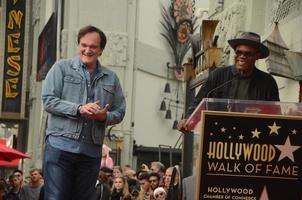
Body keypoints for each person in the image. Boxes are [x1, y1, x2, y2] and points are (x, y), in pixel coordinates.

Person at [42, 25, 126, 200]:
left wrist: (105, 117)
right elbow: (48, 101)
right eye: (83, 45)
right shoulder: (61, 68)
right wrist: (79, 109)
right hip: (60, 147)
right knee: (56, 197)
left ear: (101, 50)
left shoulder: (111, 78)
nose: (87, 50)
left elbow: (120, 111)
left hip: (91, 152)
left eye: (93, 47)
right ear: (78, 45)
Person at [178, 31, 280, 131]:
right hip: (220, 135)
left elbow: (275, 114)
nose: (242, 56)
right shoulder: (218, 75)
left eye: (248, 53)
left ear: (257, 56)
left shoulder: (268, 82)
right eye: (239, 52)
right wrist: (188, 119)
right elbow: (199, 102)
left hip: (253, 137)